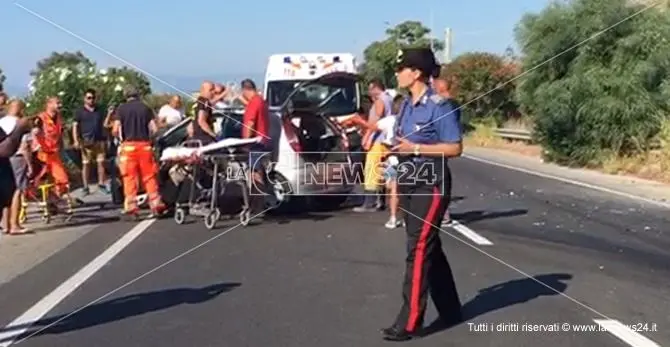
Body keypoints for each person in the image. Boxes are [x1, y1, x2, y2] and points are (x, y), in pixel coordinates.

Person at [381, 47, 463, 341]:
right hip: (410, 178)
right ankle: (451, 309)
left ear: (415, 73)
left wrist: (415, 149)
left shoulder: (439, 106)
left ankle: (409, 320)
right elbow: (403, 143)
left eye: (401, 68)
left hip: (432, 182)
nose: (397, 73)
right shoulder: (405, 106)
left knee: (417, 249)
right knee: (428, 245)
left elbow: (454, 147)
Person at [111, 85, 166, 216]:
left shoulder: (121, 109)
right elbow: (154, 129)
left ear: (126, 95)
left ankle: (131, 205)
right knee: (149, 176)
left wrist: (119, 138)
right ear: (138, 95)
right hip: (145, 146)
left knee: (129, 177)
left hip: (128, 147)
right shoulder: (145, 108)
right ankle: (155, 202)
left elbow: (115, 129)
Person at [354, 79, 394, 213]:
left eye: (371, 89)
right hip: (385, 140)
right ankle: (380, 201)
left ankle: (369, 203)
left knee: (371, 170)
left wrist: (366, 136)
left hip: (378, 140)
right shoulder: (389, 99)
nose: (370, 92)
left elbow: (375, 123)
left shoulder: (380, 101)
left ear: (376, 88)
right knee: (381, 170)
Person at [240, 78, 272, 219]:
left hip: (255, 143)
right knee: (258, 172)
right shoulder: (261, 101)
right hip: (263, 141)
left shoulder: (254, 103)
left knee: (254, 173)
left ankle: (257, 206)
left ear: (245, 90)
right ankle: (260, 204)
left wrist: (246, 142)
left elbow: (250, 123)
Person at [0, 99, 33, 235]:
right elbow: (6, 149)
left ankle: (6, 224)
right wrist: (20, 128)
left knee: (7, 192)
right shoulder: (18, 122)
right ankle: (14, 224)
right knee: (16, 191)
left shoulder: (2, 122)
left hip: (7, 161)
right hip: (15, 158)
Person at [33, 97, 72, 200]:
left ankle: (54, 199)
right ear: (49, 104)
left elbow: (59, 135)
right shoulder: (40, 118)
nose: (60, 105)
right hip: (42, 154)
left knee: (62, 179)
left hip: (54, 154)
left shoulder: (58, 117)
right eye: (57, 103)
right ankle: (46, 201)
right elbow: (34, 133)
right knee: (42, 180)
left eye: (60, 103)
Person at [72, 88, 109, 195]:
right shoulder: (79, 112)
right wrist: (75, 140)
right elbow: (75, 126)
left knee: (101, 163)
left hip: (99, 140)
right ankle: (85, 186)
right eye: (89, 98)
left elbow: (105, 124)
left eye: (93, 98)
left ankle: (101, 184)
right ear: (84, 99)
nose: (91, 100)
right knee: (86, 164)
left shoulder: (99, 110)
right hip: (86, 141)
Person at [432, 76, 455, 226]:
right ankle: (443, 213)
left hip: (437, 145)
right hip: (443, 145)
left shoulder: (442, 103)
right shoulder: (451, 102)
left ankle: (442, 214)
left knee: (436, 181)